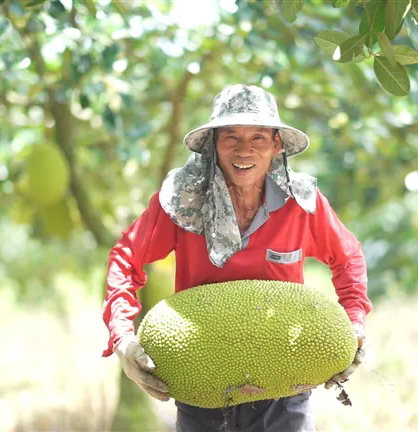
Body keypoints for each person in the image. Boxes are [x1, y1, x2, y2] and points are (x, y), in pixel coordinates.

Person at [101, 84, 372, 432]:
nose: (244, 150)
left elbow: (348, 258)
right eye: (231, 137)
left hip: (284, 383)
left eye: (258, 137)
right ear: (214, 144)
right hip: (202, 380)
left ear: (276, 145)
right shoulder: (181, 200)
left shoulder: (302, 202)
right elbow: (125, 257)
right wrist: (123, 338)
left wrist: (355, 323)